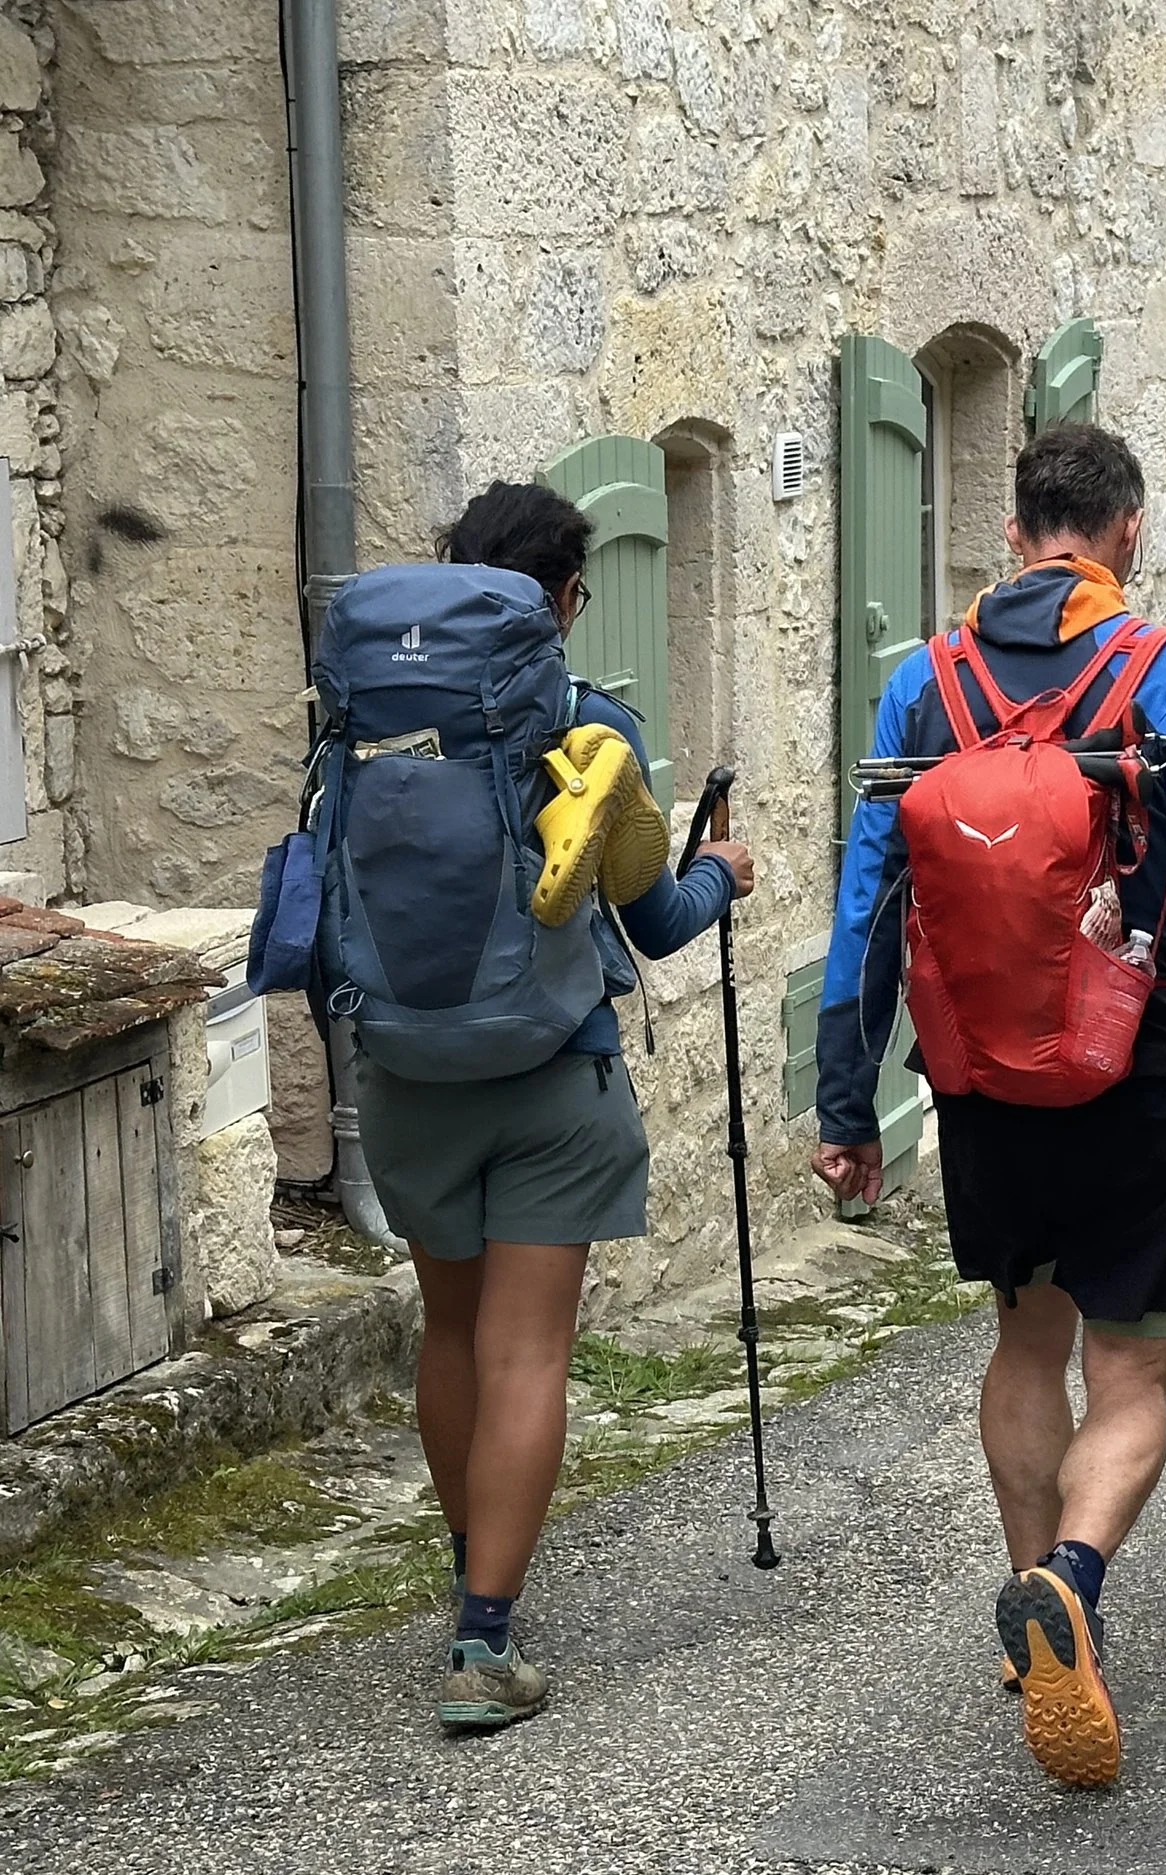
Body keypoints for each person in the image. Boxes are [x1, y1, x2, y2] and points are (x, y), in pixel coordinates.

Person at [812, 423, 1166, 1787]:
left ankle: (1030, 1588)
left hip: (977, 1074)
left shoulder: (923, 682)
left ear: (1020, 525)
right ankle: (1075, 1587)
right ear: (1129, 531)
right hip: (1124, 1065)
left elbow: (870, 900)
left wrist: (844, 1103)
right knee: (1133, 1368)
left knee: (1026, 1344)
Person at [358, 482, 756, 1729]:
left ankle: (474, 1565)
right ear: (566, 599)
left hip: (409, 1071)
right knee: (527, 1348)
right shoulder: (591, 731)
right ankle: (484, 1646)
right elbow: (656, 919)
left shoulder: (370, 717)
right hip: (549, 1074)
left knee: (449, 1332)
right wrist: (722, 871)